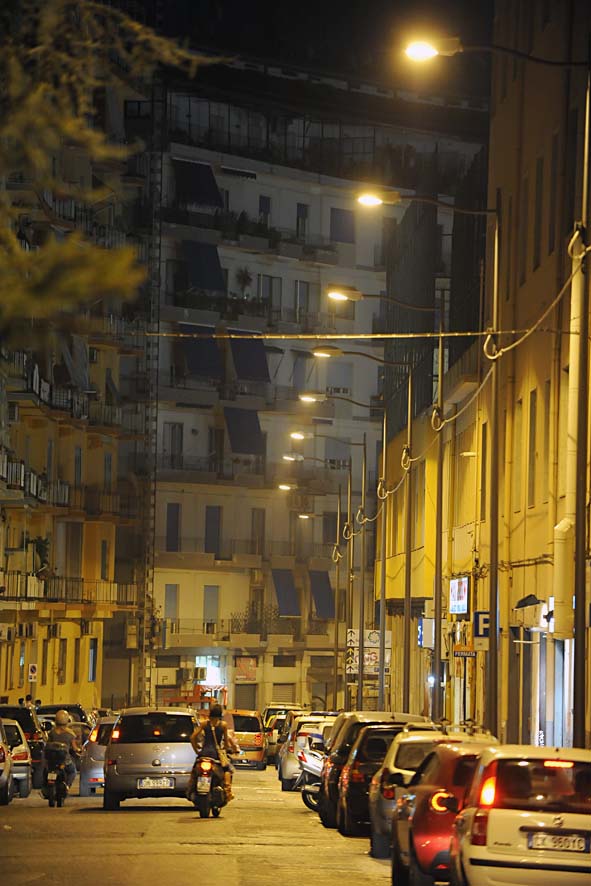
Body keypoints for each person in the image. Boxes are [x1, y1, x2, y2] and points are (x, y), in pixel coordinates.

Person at [188, 705, 239, 802]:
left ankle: (190, 788)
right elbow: (226, 744)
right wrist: (227, 749)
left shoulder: (204, 724)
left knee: (195, 769)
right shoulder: (223, 725)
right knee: (227, 769)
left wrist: (197, 750)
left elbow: (192, 737)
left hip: (204, 753)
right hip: (215, 755)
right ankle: (227, 791)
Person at [46, 709, 80, 789]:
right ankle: (67, 786)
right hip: (65, 761)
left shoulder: (52, 732)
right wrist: (79, 750)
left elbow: (48, 744)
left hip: (52, 761)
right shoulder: (70, 734)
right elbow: (75, 748)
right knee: (73, 772)